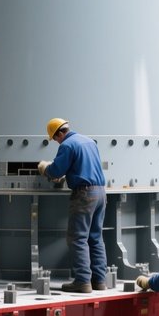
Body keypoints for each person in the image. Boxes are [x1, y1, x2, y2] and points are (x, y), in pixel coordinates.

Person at [38, 118, 107, 293]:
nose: (56, 142)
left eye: (55, 139)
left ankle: (82, 282)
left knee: (78, 238)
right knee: (95, 237)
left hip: (84, 194)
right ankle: (99, 281)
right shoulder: (89, 141)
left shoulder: (67, 145)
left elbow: (56, 171)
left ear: (59, 134)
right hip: (100, 192)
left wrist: (45, 168)